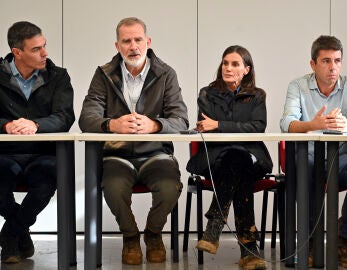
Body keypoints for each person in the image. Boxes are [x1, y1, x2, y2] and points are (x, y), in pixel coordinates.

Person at [79, 17, 188, 265]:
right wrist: (111, 125)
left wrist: (156, 125)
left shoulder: (166, 74)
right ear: (117, 46)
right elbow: (87, 117)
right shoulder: (103, 74)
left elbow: (181, 120)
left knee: (170, 188)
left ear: (148, 42)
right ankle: (130, 237)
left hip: (156, 154)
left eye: (138, 40)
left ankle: (152, 234)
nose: (133, 46)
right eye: (126, 41)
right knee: (114, 189)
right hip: (117, 155)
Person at [186, 45, 273, 270]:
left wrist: (219, 125)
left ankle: (215, 223)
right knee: (237, 163)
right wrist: (224, 129)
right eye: (225, 63)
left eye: (235, 64)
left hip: (251, 157)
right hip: (215, 158)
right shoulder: (207, 94)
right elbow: (206, 127)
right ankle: (249, 250)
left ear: (246, 70)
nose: (228, 67)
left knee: (239, 160)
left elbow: (257, 127)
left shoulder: (257, 95)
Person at [280, 35, 347, 268]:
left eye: (337, 61)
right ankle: (312, 244)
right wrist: (314, 125)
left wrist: (345, 124)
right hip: (308, 155)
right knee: (309, 171)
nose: (332, 67)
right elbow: (287, 123)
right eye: (326, 61)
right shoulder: (298, 86)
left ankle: (343, 238)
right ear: (313, 64)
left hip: (342, 157)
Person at [0, 21, 75, 263]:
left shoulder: (58, 76)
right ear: (17, 52)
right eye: (36, 49)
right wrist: (5, 125)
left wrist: (36, 125)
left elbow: (65, 117)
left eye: (44, 46)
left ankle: (11, 234)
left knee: (46, 182)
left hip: (43, 154)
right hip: (5, 153)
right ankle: (19, 233)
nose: (45, 53)